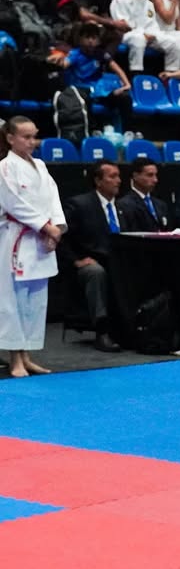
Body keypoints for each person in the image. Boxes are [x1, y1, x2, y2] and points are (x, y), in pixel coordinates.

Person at [0, 117, 66, 378]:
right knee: (13, 300)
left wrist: (57, 229)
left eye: (34, 136)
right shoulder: (5, 167)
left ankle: (27, 356)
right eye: (25, 137)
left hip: (41, 241)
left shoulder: (40, 165)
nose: (31, 142)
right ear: (10, 139)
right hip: (16, 238)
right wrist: (44, 227)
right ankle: (14, 358)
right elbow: (13, 203)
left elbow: (54, 198)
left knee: (36, 302)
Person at [57, 161, 126, 353]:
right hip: (90, 261)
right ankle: (101, 330)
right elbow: (61, 237)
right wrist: (75, 260)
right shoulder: (80, 205)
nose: (118, 181)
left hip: (120, 261)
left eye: (119, 176)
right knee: (95, 272)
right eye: (112, 176)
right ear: (98, 180)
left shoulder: (124, 206)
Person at [62, 22, 134, 129]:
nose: (90, 41)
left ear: (98, 40)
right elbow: (65, 64)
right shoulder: (75, 54)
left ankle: (128, 131)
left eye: (94, 38)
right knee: (86, 100)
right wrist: (60, 61)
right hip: (81, 90)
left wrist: (127, 84)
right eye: (87, 37)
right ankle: (91, 131)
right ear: (80, 39)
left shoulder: (100, 54)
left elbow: (116, 68)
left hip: (99, 90)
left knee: (124, 97)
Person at [109, 0, 180, 73]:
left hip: (149, 33)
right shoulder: (121, 0)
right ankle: (136, 73)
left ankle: (170, 74)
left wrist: (153, 34)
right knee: (138, 40)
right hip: (128, 34)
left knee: (172, 42)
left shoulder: (148, 3)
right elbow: (123, 25)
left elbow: (152, 25)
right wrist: (143, 33)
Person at [117, 159, 171, 232]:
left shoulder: (161, 204)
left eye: (155, 175)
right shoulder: (125, 204)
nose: (155, 180)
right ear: (135, 176)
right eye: (150, 175)